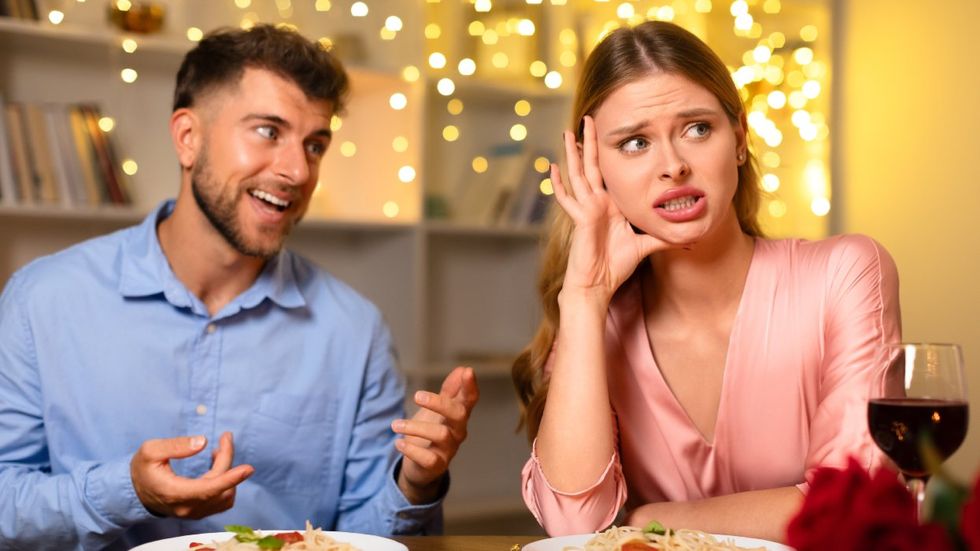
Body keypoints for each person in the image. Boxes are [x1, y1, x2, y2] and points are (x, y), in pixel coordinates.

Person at [0, 24, 478, 550]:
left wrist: (416, 480)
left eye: (315, 144)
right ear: (188, 138)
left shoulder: (354, 330)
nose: (298, 171)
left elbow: (360, 539)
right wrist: (126, 490)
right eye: (269, 132)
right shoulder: (42, 300)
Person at [512, 21, 900, 542]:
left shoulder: (847, 274)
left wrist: (650, 520)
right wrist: (583, 299)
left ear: (739, 138)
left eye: (697, 128)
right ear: (594, 168)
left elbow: (853, 507)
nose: (673, 165)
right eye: (634, 143)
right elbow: (575, 526)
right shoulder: (595, 324)